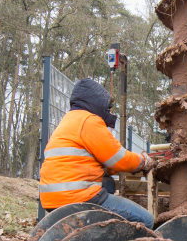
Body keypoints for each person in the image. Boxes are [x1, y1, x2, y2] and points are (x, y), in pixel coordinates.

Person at [39, 77, 156, 228]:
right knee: (146, 220)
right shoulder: (89, 121)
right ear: (97, 102)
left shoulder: (69, 121)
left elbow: (88, 160)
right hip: (77, 198)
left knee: (108, 184)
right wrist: (143, 161)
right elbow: (119, 159)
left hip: (52, 200)